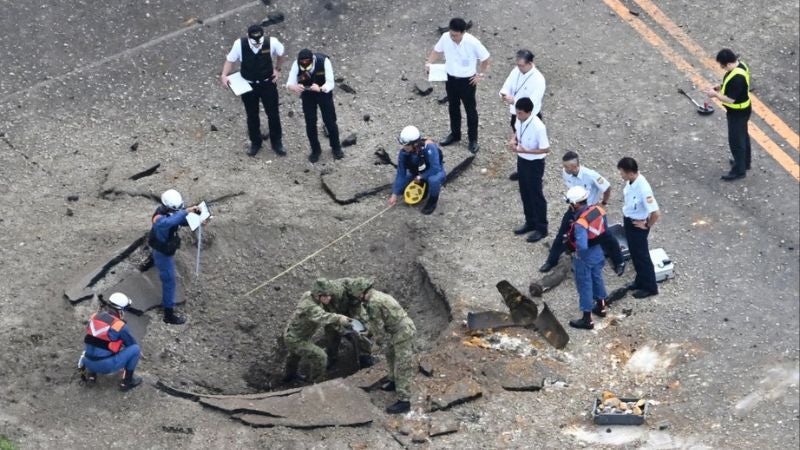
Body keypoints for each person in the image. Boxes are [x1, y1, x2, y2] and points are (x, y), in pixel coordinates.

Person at [539, 151, 625, 275]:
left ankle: (619, 262)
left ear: (574, 166)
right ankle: (551, 261)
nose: (564, 169)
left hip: (591, 211)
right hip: (575, 208)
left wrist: (603, 204)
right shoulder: (566, 173)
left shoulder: (590, 175)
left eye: (566, 166)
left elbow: (607, 188)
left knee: (605, 236)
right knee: (562, 234)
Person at [348, 279, 416, 415]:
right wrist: (369, 333)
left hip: (402, 331)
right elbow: (377, 324)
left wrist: (376, 342)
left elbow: (378, 327)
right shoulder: (377, 295)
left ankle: (404, 401)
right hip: (394, 330)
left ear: (362, 293)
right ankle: (393, 381)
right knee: (390, 354)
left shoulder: (373, 303)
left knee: (403, 364)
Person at [425, 17, 490, 154]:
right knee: (453, 107)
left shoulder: (472, 42)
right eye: (451, 34)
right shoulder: (445, 37)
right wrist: (429, 62)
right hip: (451, 78)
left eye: (455, 35)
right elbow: (437, 50)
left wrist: (480, 75)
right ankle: (455, 134)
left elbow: (485, 59)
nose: (452, 37)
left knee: (470, 110)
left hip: (467, 81)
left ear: (463, 32)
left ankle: (473, 140)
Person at [220, 24, 286, 157]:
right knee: (252, 115)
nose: (257, 43)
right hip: (248, 85)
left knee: (273, 114)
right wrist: (224, 75)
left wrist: (278, 70)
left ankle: (277, 142)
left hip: (267, 83)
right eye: (254, 41)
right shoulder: (239, 44)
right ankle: (256, 142)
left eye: (259, 40)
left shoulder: (272, 42)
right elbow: (230, 60)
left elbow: (281, 53)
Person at [148, 189, 201, 325]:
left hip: (160, 246)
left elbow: (180, 220)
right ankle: (168, 314)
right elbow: (171, 221)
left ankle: (149, 261)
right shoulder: (160, 220)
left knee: (156, 255)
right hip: (163, 253)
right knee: (169, 282)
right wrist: (186, 212)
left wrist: (197, 218)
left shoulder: (168, 212)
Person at [283, 285, 353, 383]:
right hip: (295, 339)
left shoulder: (310, 296)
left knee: (294, 355)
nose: (329, 298)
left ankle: (289, 377)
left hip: (297, 334)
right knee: (321, 357)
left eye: (329, 295)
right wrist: (339, 318)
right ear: (317, 295)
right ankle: (315, 383)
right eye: (325, 296)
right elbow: (322, 316)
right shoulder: (310, 306)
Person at [286, 49, 344, 163]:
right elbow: (289, 83)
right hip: (307, 94)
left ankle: (336, 147)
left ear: (312, 60)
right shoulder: (296, 64)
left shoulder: (324, 61)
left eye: (307, 62)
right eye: (302, 63)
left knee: (330, 121)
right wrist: (294, 87)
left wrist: (320, 88)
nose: (304, 65)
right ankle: (315, 150)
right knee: (310, 122)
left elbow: (331, 82)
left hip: (323, 93)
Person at [563, 187, 609, 330]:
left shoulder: (580, 223)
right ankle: (601, 307)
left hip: (584, 257)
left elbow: (582, 246)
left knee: (584, 285)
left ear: (575, 204)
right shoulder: (598, 210)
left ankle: (587, 319)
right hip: (598, 252)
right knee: (597, 278)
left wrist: (572, 248)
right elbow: (604, 231)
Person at [704, 48, 752, 181]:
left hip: (737, 113)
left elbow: (730, 99)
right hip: (743, 110)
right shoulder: (741, 66)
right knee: (743, 137)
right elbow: (729, 85)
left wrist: (715, 95)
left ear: (730, 63)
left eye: (723, 65)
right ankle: (745, 162)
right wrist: (719, 87)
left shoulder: (737, 78)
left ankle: (739, 170)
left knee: (736, 142)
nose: (722, 68)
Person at [78, 292, 142, 391]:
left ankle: (91, 375)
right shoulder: (119, 326)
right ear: (120, 310)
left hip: (87, 361)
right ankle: (126, 383)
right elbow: (131, 345)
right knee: (135, 349)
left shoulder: (94, 317)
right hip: (105, 366)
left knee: (94, 343)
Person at [499, 49, 546, 181]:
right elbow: (507, 85)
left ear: (530, 63)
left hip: (530, 116)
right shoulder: (516, 71)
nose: (518, 68)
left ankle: (535, 174)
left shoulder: (538, 79)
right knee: (519, 144)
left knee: (532, 146)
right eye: (518, 65)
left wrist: (514, 101)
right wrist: (504, 94)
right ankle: (522, 171)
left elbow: (533, 102)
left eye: (521, 65)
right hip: (517, 114)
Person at [617, 157, 661, 299]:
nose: (620, 175)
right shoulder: (631, 182)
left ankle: (650, 287)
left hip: (638, 226)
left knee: (642, 256)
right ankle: (640, 280)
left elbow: (656, 213)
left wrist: (647, 225)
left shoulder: (643, 188)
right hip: (630, 221)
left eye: (622, 172)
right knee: (635, 254)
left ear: (630, 173)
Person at [508, 97, 550, 243]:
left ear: (529, 112)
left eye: (520, 113)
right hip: (522, 159)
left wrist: (527, 151)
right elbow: (517, 131)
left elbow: (545, 148)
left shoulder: (539, 127)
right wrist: (513, 140)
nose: (517, 116)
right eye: (517, 113)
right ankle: (530, 221)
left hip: (535, 163)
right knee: (524, 191)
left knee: (536, 194)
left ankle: (542, 228)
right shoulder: (520, 120)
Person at [310, 277, 375, 369]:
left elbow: (356, 309)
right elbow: (327, 316)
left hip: (351, 306)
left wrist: (353, 325)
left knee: (361, 327)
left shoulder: (347, 292)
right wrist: (341, 328)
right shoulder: (321, 297)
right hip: (334, 312)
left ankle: (365, 355)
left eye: (327, 296)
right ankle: (332, 357)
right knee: (331, 331)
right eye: (323, 297)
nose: (326, 298)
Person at [388, 126, 446, 215]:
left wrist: (421, 177)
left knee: (433, 180)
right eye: (403, 144)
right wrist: (394, 194)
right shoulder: (403, 153)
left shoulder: (429, 147)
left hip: (433, 172)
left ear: (415, 144)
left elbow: (435, 168)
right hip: (416, 172)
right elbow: (401, 173)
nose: (404, 147)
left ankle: (432, 200)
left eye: (406, 145)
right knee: (399, 189)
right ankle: (423, 186)